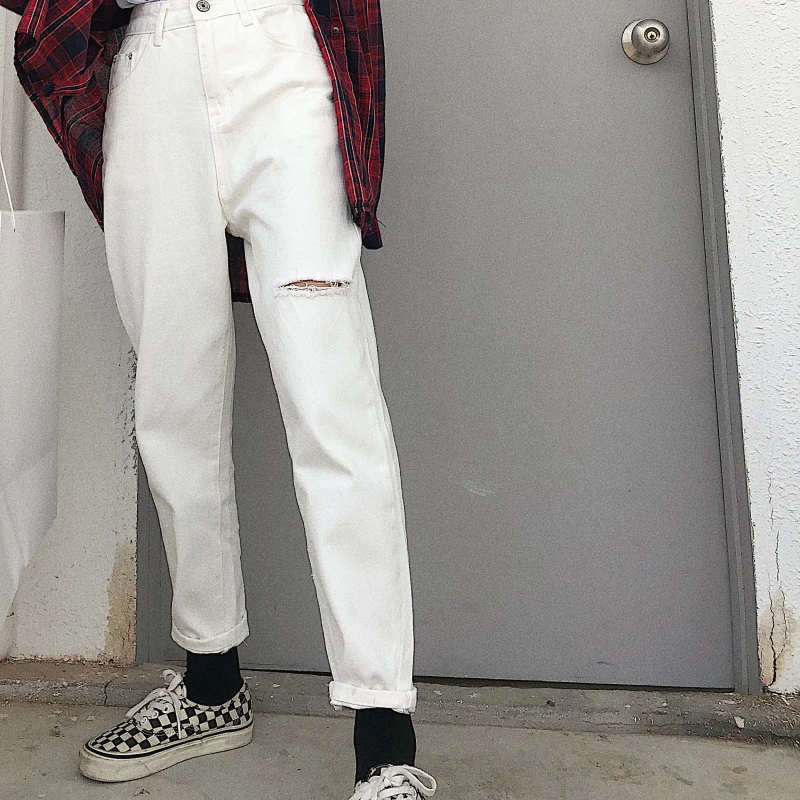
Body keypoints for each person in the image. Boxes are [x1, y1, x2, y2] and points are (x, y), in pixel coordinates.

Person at [0, 0, 437, 795]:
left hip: (280, 53)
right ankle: (210, 684)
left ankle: (385, 738)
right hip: (151, 60)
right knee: (174, 401)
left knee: (333, 401)